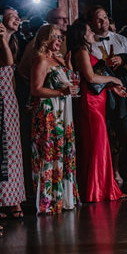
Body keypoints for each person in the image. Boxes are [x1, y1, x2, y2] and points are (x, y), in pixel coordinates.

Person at [68, 21, 127, 203]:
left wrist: (111, 86)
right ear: (82, 35)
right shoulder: (81, 52)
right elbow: (91, 77)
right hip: (90, 103)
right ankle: (96, 190)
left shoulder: (87, 51)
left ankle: (101, 187)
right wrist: (114, 79)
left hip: (97, 100)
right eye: (88, 30)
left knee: (100, 144)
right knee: (96, 145)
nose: (92, 32)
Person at [87, 6, 127, 194]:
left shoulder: (121, 39)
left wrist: (122, 59)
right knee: (105, 139)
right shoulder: (89, 43)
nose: (102, 22)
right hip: (101, 95)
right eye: (98, 19)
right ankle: (106, 182)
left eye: (104, 18)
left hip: (122, 95)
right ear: (92, 23)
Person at [28, 25, 79, 215]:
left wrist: (68, 66)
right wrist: (60, 92)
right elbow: (35, 90)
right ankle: (48, 200)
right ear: (46, 39)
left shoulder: (57, 59)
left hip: (63, 113)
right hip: (49, 113)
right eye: (56, 37)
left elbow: (72, 82)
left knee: (63, 151)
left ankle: (64, 198)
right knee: (49, 153)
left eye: (60, 38)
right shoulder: (41, 60)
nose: (59, 41)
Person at [0, 7, 24, 219]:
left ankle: (12, 198)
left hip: (9, 98)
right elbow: (7, 62)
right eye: (12, 15)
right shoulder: (3, 42)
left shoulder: (15, 42)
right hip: (0, 96)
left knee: (13, 148)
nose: (17, 18)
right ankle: (2, 200)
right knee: (2, 149)